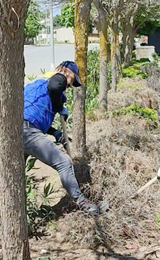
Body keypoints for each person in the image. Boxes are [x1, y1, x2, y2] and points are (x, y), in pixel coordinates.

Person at [23, 60, 106, 215]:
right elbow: (55, 86)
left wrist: (55, 132)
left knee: (17, 174)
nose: (67, 86)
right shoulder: (58, 77)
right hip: (27, 132)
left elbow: (34, 116)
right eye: (71, 82)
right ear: (67, 72)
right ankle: (83, 203)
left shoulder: (38, 83)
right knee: (64, 162)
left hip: (17, 130)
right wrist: (59, 105)